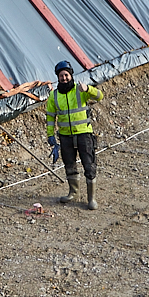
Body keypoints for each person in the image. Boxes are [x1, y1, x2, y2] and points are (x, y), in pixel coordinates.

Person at [46, 60, 104, 210]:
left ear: (71, 75)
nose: (64, 78)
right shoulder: (54, 95)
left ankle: (91, 199)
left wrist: (88, 89)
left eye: (66, 75)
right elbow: (51, 116)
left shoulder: (80, 90)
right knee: (69, 164)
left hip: (84, 134)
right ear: (58, 78)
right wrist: (50, 135)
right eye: (61, 76)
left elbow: (100, 96)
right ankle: (73, 192)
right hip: (65, 136)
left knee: (89, 165)